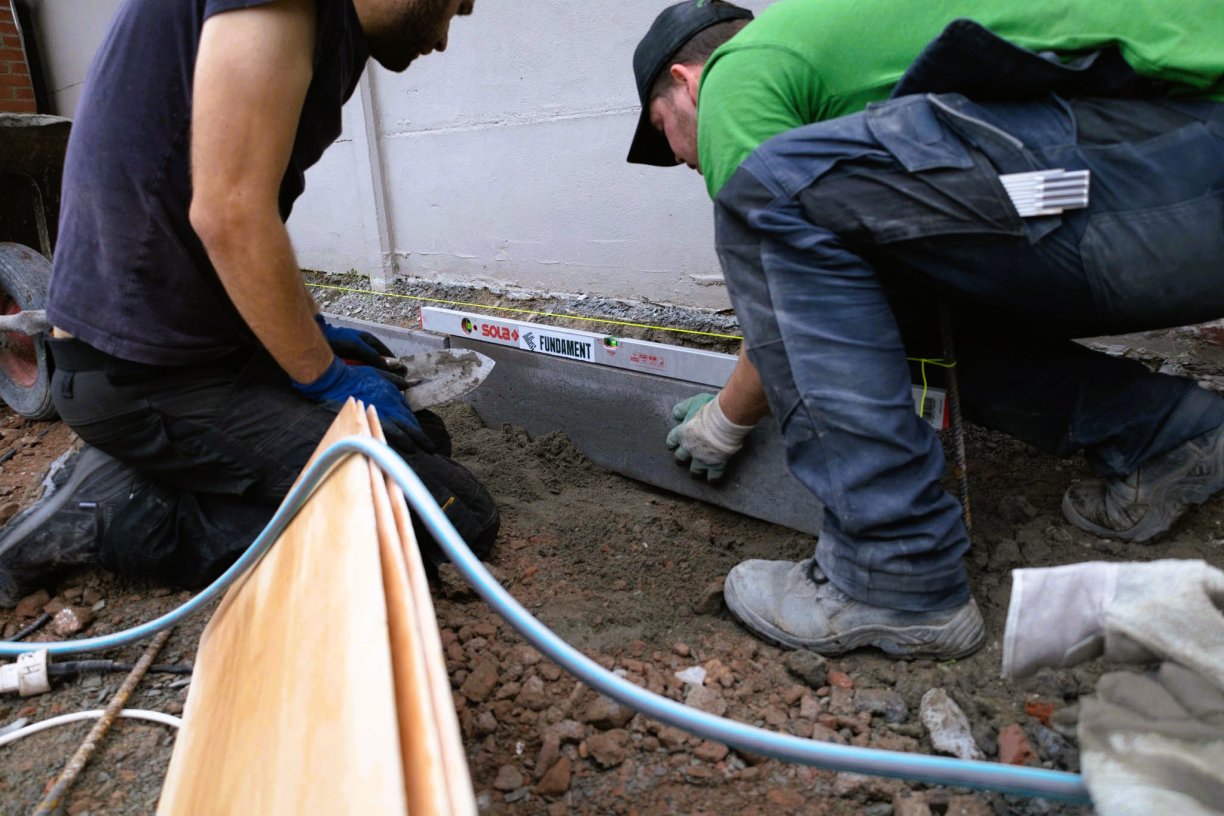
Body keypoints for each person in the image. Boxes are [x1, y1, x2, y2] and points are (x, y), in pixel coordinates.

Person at [627, 0, 1224, 658]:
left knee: (763, 195)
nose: (684, 160)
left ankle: (893, 573)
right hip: (1164, 190)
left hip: (1169, 166)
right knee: (896, 297)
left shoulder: (740, 69)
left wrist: (723, 420)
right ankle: (1167, 436)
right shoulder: (838, 68)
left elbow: (770, 238)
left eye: (665, 131)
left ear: (686, 81)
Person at [0, 0, 500, 607]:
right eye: (455, 6)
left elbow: (235, 214)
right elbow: (229, 213)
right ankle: (114, 512)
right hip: (142, 377)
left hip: (190, 354)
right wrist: (323, 375)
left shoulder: (322, 27)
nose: (445, 37)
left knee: (423, 440)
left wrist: (308, 335)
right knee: (448, 515)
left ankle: (152, 471)